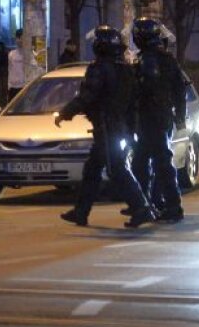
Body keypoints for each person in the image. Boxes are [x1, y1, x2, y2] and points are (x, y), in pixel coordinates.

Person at [56, 25, 155, 228]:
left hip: (106, 126)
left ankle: (141, 207)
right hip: (117, 127)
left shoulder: (100, 69)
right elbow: (133, 101)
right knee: (93, 169)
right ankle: (81, 211)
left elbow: (88, 95)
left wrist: (66, 113)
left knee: (116, 169)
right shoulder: (126, 69)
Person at [130, 17, 189, 223]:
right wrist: (179, 115)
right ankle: (146, 204)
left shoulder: (149, 60)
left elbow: (145, 89)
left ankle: (171, 206)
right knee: (142, 163)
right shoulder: (166, 58)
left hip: (151, 118)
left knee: (160, 163)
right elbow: (180, 89)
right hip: (160, 117)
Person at [7, 28, 25, 101]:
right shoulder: (11, 54)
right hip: (13, 87)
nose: (20, 40)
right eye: (18, 38)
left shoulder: (28, 54)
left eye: (22, 38)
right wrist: (9, 86)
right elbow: (10, 70)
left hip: (24, 86)